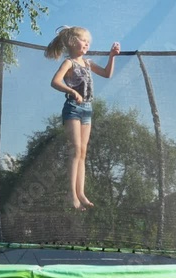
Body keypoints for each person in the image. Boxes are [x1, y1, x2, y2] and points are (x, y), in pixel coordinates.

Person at [44, 26, 121, 210]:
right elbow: (55, 82)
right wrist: (71, 91)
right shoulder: (69, 63)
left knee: (83, 153)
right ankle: (72, 194)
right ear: (72, 42)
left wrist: (112, 57)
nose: (86, 43)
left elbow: (107, 74)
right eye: (83, 40)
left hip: (87, 109)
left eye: (88, 41)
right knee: (76, 149)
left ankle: (81, 193)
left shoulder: (88, 63)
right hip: (72, 108)